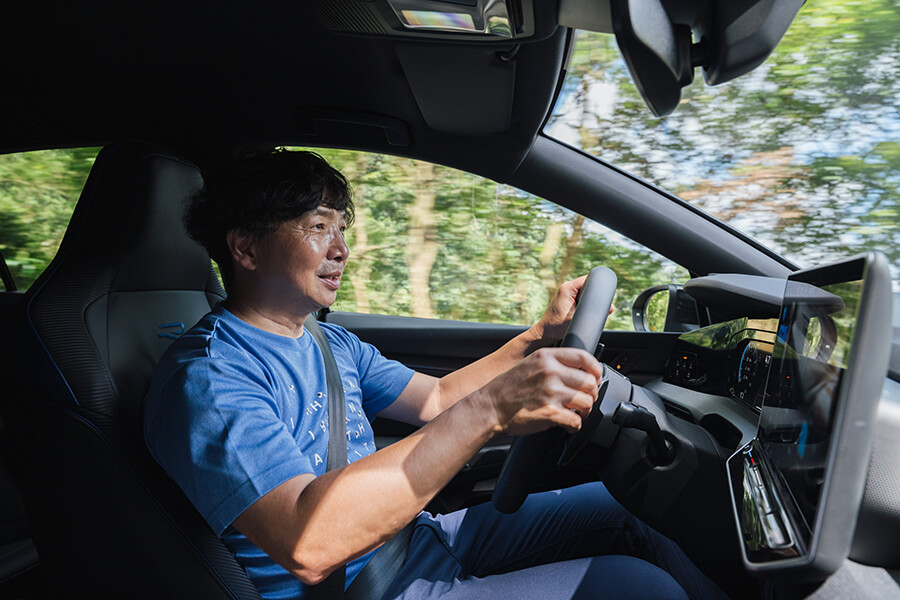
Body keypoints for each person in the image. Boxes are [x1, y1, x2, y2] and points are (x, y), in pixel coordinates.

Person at [144, 149, 727, 600]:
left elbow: (439, 397)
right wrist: (494, 408)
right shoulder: (210, 379)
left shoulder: (326, 339)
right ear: (246, 249)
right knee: (636, 590)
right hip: (355, 590)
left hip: (411, 540)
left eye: (342, 228)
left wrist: (538, 336)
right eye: (318, 226)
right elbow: (309, 541)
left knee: (629, 506)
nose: (341, 249)